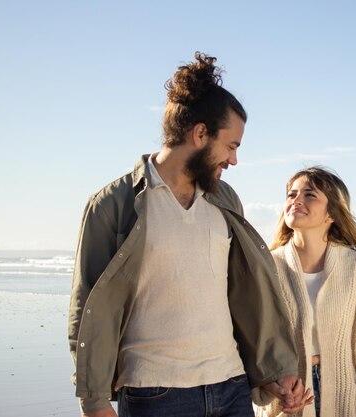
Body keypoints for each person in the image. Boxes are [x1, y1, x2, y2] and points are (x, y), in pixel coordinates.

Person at [68, 52, 308, 417]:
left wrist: (272, 373)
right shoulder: (114, 204)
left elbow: (243, 294)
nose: (234, 161)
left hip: (231, 388)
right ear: (199, 134)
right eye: (231, 146)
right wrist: (94, 400)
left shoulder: (225, 200)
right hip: (155, 395)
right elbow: (87, 307)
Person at [255, 166, 356, 417]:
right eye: (291, 195)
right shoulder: (267, 266)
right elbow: (257, 344)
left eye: (309, 194)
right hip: (287, 400)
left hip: (345, 397)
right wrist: (274, 390)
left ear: (331, 214)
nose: (296, 200)